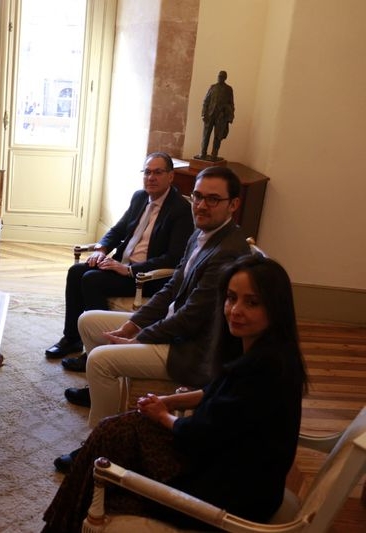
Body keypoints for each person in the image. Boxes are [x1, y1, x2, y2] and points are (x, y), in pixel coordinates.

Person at [42, 255, 308, 531]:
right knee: (114, 433)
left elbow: (198, 434)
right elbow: (215, 394)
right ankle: (60, 521)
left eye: (251, 303)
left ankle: (61, 523)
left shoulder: (265, 369)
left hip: (222, 497)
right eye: (231, 298)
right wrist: (168, 401)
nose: (235, 310)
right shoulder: (266, 353)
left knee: (107, 469)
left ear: (276, 308)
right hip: (220, 466)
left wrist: (162, 416)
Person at [59, 166, 251, 465]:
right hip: (174, 328)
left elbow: (191, 317)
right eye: (198, 196)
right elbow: (172, 288)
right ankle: (102, 394)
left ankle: (100, 447)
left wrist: (137, 337)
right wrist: (133, 324)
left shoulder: (227, 251)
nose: (201, 205)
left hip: (189, 347)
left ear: (233, 204)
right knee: (89, 322)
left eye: (213, 199)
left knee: (100, 359)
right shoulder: (203, 234)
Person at [45, 152, 194, 372]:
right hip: (121, 266)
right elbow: (118, 229)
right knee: (76, 271)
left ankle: (96, 350)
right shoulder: (140, 197)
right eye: (147, 172)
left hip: (146, 278)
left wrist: (129, 269)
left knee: (91, 280)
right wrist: (101, 249)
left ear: (171, 177)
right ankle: (72, 338)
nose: (151, 177)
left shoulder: (180, 210)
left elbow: (173, 258)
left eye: (158, 172)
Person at [197, 70, 235, 161]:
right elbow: (206, 101)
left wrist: (230, 116)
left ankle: (214, 154)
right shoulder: (212, 87)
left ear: (225, 78)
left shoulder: (229, 89)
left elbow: (231, 103)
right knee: (206, 135)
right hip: (210, 115)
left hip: (221, 117)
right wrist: (203, 114)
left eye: (222, 77)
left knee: (218, 137)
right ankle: (203, 153)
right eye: (219, 76)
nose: (220, 78)